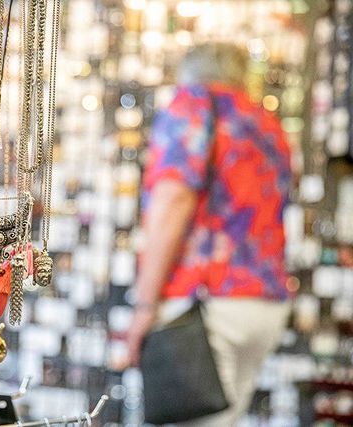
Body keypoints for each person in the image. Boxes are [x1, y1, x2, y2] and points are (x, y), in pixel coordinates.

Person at [126, 44, 292, 426]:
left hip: (204, 304)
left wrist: (144, 306)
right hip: (264, 305)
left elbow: (173, 200)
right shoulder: (266, 123)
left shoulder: (193, 106)